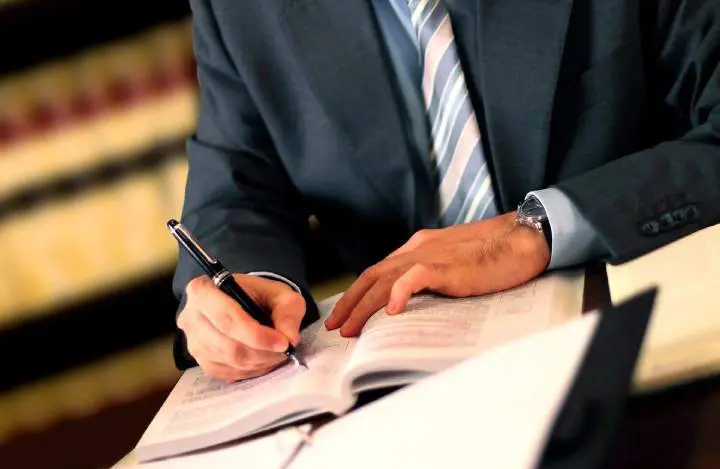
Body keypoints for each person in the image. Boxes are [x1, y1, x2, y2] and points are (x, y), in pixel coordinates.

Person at [173, 0, 720, 382]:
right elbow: (238, 188)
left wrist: (536, 229)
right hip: (420, 391)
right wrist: (242, 292)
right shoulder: (237, 8)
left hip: (644, 334)